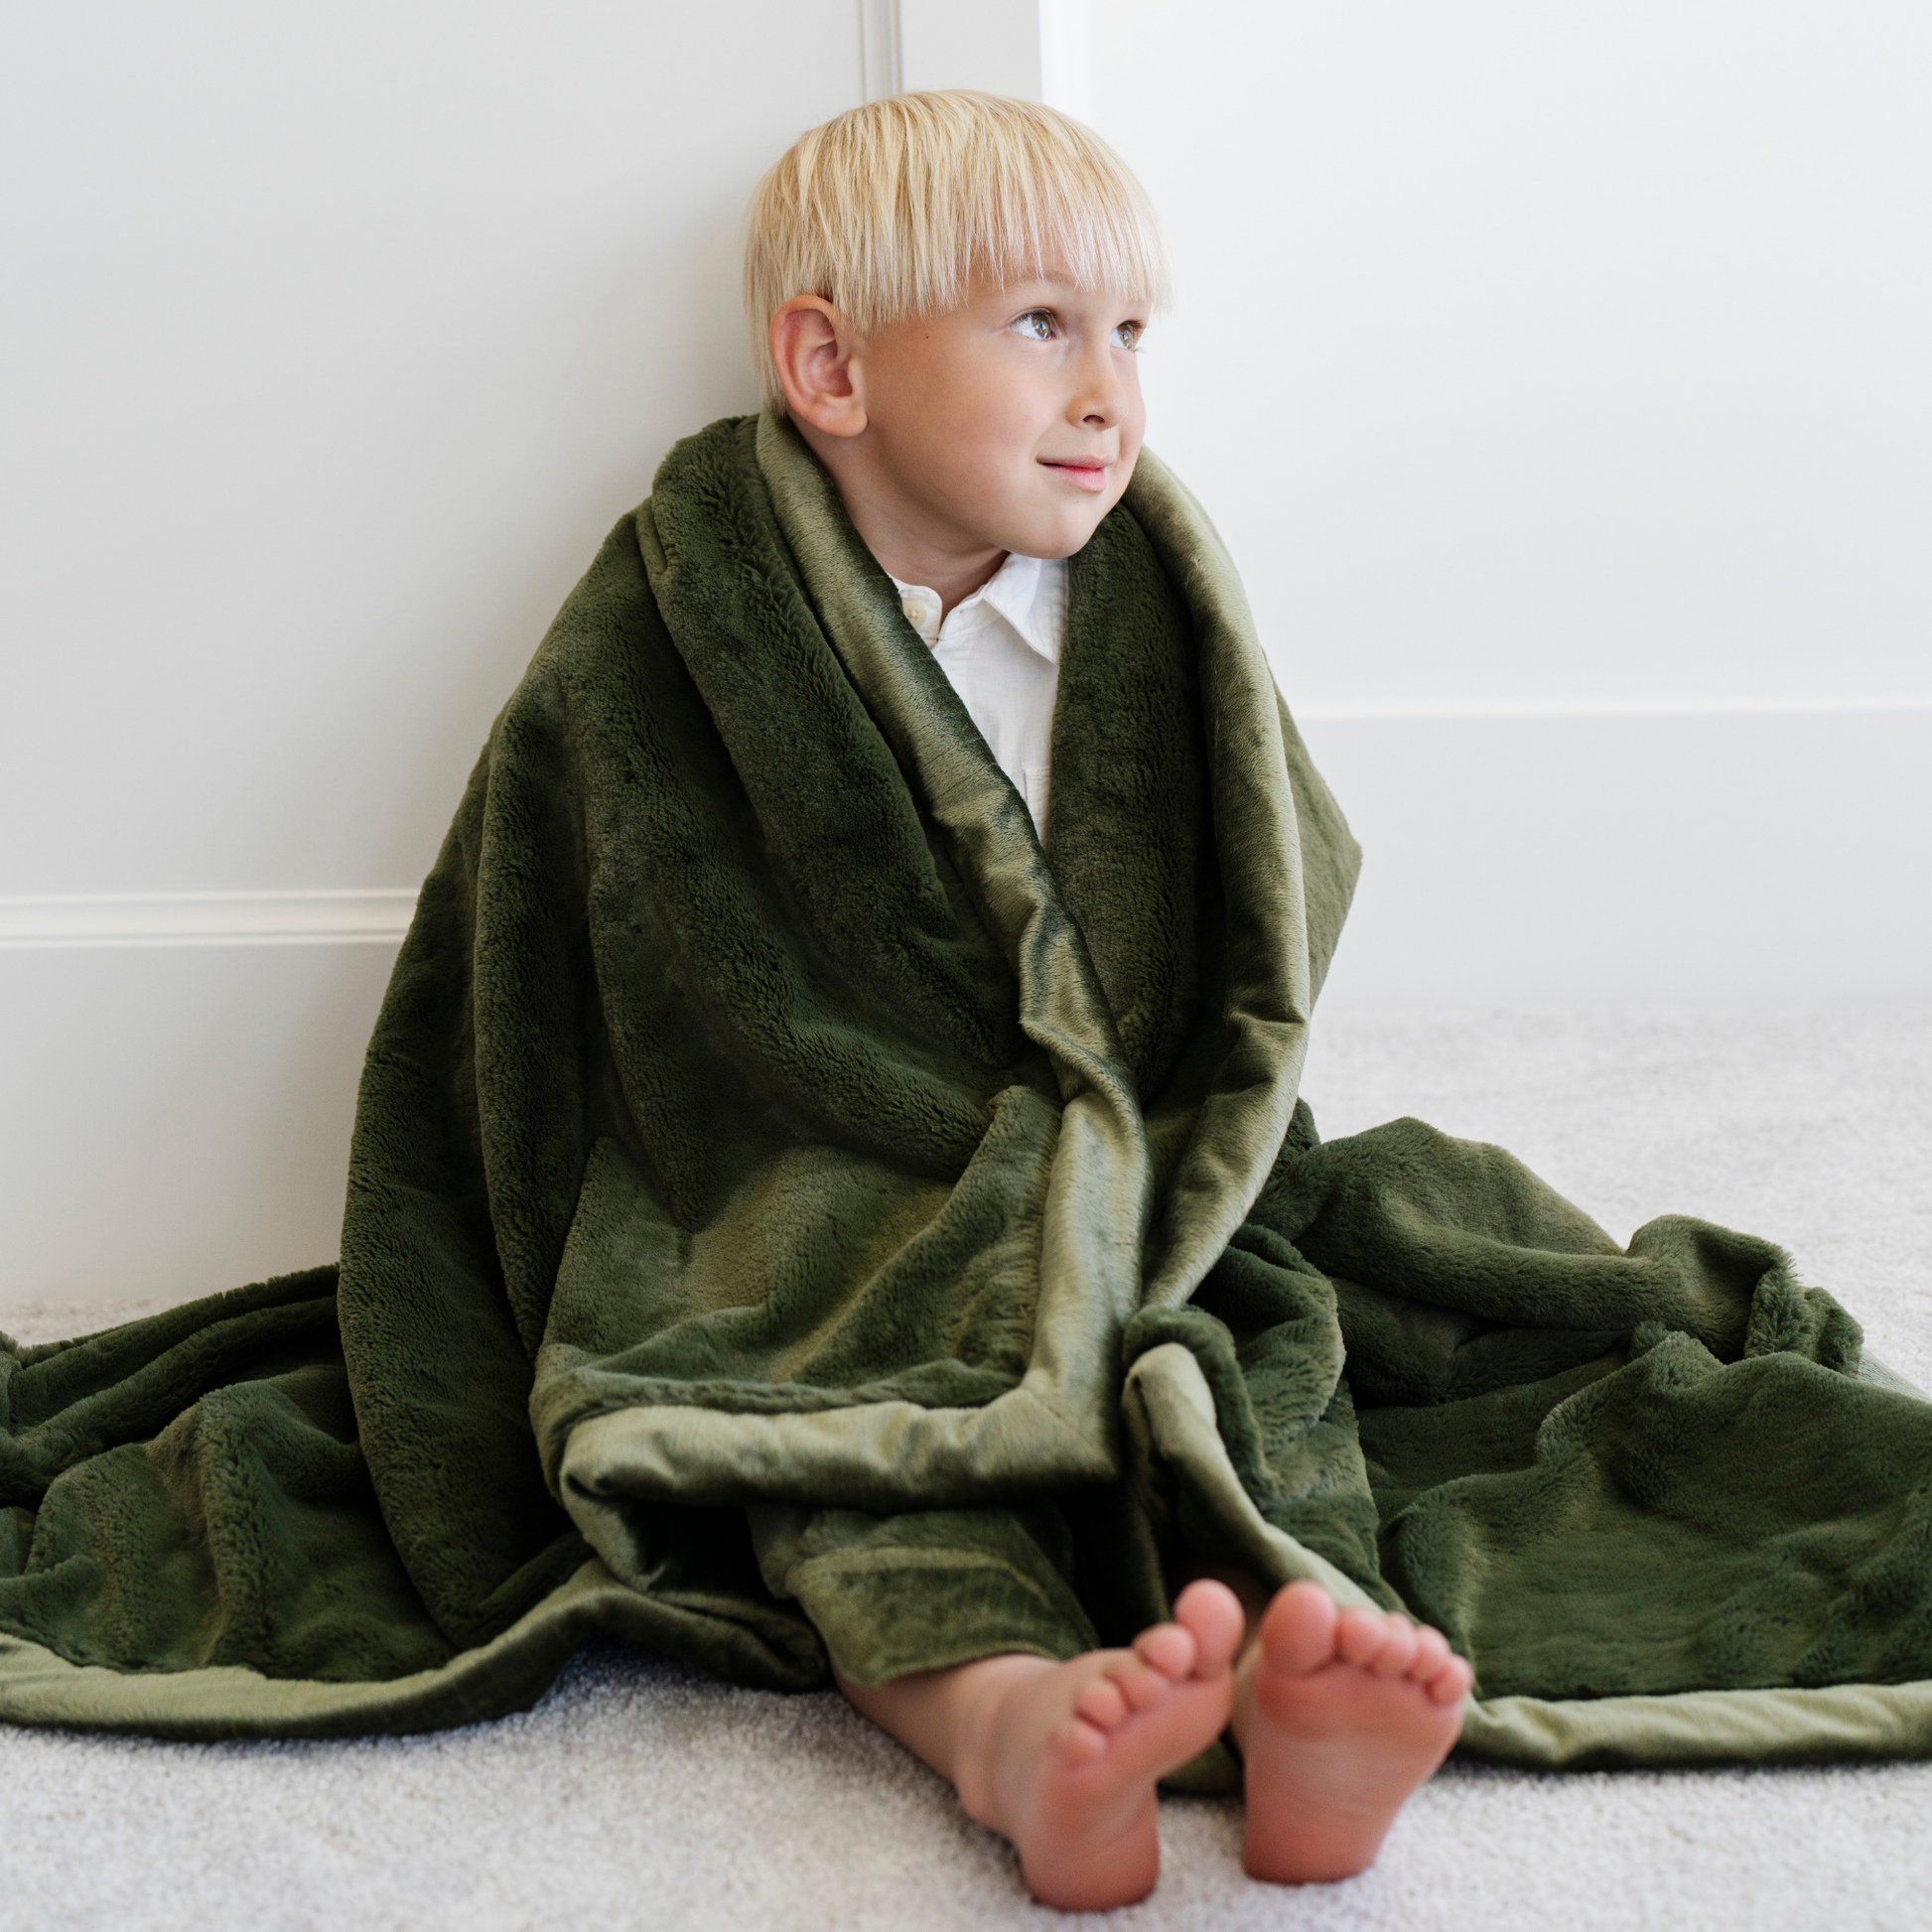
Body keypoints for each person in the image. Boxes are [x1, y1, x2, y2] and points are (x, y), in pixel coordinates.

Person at [743, 89, 1468, 1909]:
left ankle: (1302, 1659)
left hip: (1137, 1149)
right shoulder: (703, 613)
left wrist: (1135, 1134)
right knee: (839, 1443)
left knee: (1244, 1359)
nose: (1108, 395)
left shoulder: (1151, 607)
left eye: (1131, 335)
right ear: (830, 365)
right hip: (851, 1178)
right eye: (1042, 325)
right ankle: (1008, 1726)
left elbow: (1262, 898)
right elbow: (619, 945)